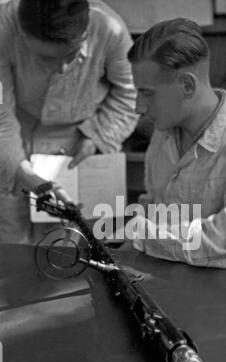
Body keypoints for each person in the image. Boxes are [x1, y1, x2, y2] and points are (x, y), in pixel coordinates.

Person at [127, 18, 226, 268]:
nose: (138, 107)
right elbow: (156, 206)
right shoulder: (163, 132)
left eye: (147, 93)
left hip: (224, 294)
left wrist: (144, 236)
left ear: (187, 86)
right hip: (166, 276)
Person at [0, 0, 138, 242]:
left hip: (79, 146)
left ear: (85, 34)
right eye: (44, 58)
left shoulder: (109, 28)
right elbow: (2, 116)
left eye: (71, 55)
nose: (63, 68)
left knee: (76, 246)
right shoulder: (2, 29)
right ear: (21, 36)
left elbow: (132, 93)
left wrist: (98, 134)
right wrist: (21, 172)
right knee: (10, 244)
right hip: (12, 141)